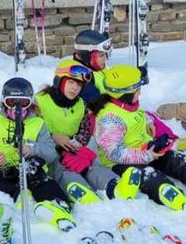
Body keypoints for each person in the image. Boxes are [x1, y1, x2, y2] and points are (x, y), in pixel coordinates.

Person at [92, 64, 186, 211]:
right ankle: (170, 194)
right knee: (148, 176)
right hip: (121, 163)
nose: (140, 93)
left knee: (175, 160)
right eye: (137, 90)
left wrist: (148, 122)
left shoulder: (128, 104)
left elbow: (137, 114)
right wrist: (146, 156)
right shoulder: (110, 119)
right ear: (124, 93)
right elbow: (114, 153)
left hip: (145, 149)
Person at [0, 77, 76, 230]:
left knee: (36, 172)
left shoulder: (38, 124)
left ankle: (57, 202)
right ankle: (19, 192)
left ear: (31, 102)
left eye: (23, 103)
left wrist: (32, 149)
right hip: (5, 170)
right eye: (12, 103)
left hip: (29, 169)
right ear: (4, 102)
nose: (17, 108)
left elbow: (51, 153)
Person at [36, 59, 140, 202]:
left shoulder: (80, 104)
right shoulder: (39, 102)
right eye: (71, 82)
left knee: (89, 165)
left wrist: (77, 145)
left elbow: (84, 129)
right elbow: (28, 129)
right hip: (47, 153)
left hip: (70, 149)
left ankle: (113, 187)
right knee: (63, 169)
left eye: (79, 85)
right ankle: (82, 192)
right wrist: (52, 136)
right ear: (59, 80)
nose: (75, 88)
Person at [68, 29, 113, 102]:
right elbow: (98, 105)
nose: (105, 59)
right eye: (101, 55)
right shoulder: (80, 81)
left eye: (106, 54)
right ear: (86, 55)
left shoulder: (94, 66)